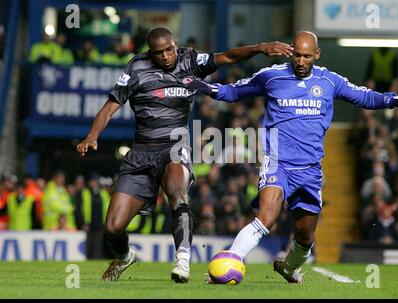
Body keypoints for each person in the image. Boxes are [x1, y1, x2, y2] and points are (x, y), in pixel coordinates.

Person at [188, 31, 398, 283]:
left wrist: (394, 100)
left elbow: (364, 96)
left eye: (307, 56)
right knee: (266, 217)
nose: (300, 61)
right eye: (297, 55)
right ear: (291, 51)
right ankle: (232, 260)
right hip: (278, 162)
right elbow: (234, 92)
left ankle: (288, 268)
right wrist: (206, 87)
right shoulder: (272, 76)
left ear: (317, 55)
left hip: (310, 170)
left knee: (305, 238)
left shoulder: (330, 82)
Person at [76, 27, 293, 283]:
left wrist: (260, 48)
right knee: (112, 228)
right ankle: (124, 256)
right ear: (150, 52)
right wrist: (92, 135)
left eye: (170, 49)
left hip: (174, 148)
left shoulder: (189, 60)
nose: (167, 56)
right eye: (160, 53)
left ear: (175, 45)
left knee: (178, 195)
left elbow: (227, 57)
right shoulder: (136, 68)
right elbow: (108, 108)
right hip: (141, 153)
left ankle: (182, 258)